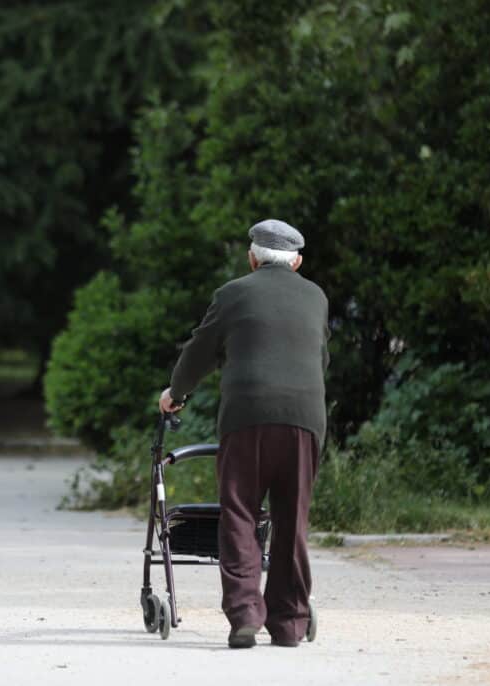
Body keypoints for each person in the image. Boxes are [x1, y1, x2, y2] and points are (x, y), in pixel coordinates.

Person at [158, 219, 329, 649]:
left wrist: (175, 394)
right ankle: (289, 622)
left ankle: (245, 615)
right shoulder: (316, 297)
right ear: (298, 262)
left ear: (252, 258)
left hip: (247, 416)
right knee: (292, 519)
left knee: (239, 513)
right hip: (304, 419)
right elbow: (321, 358)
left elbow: (199, 351)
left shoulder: (233, 293)